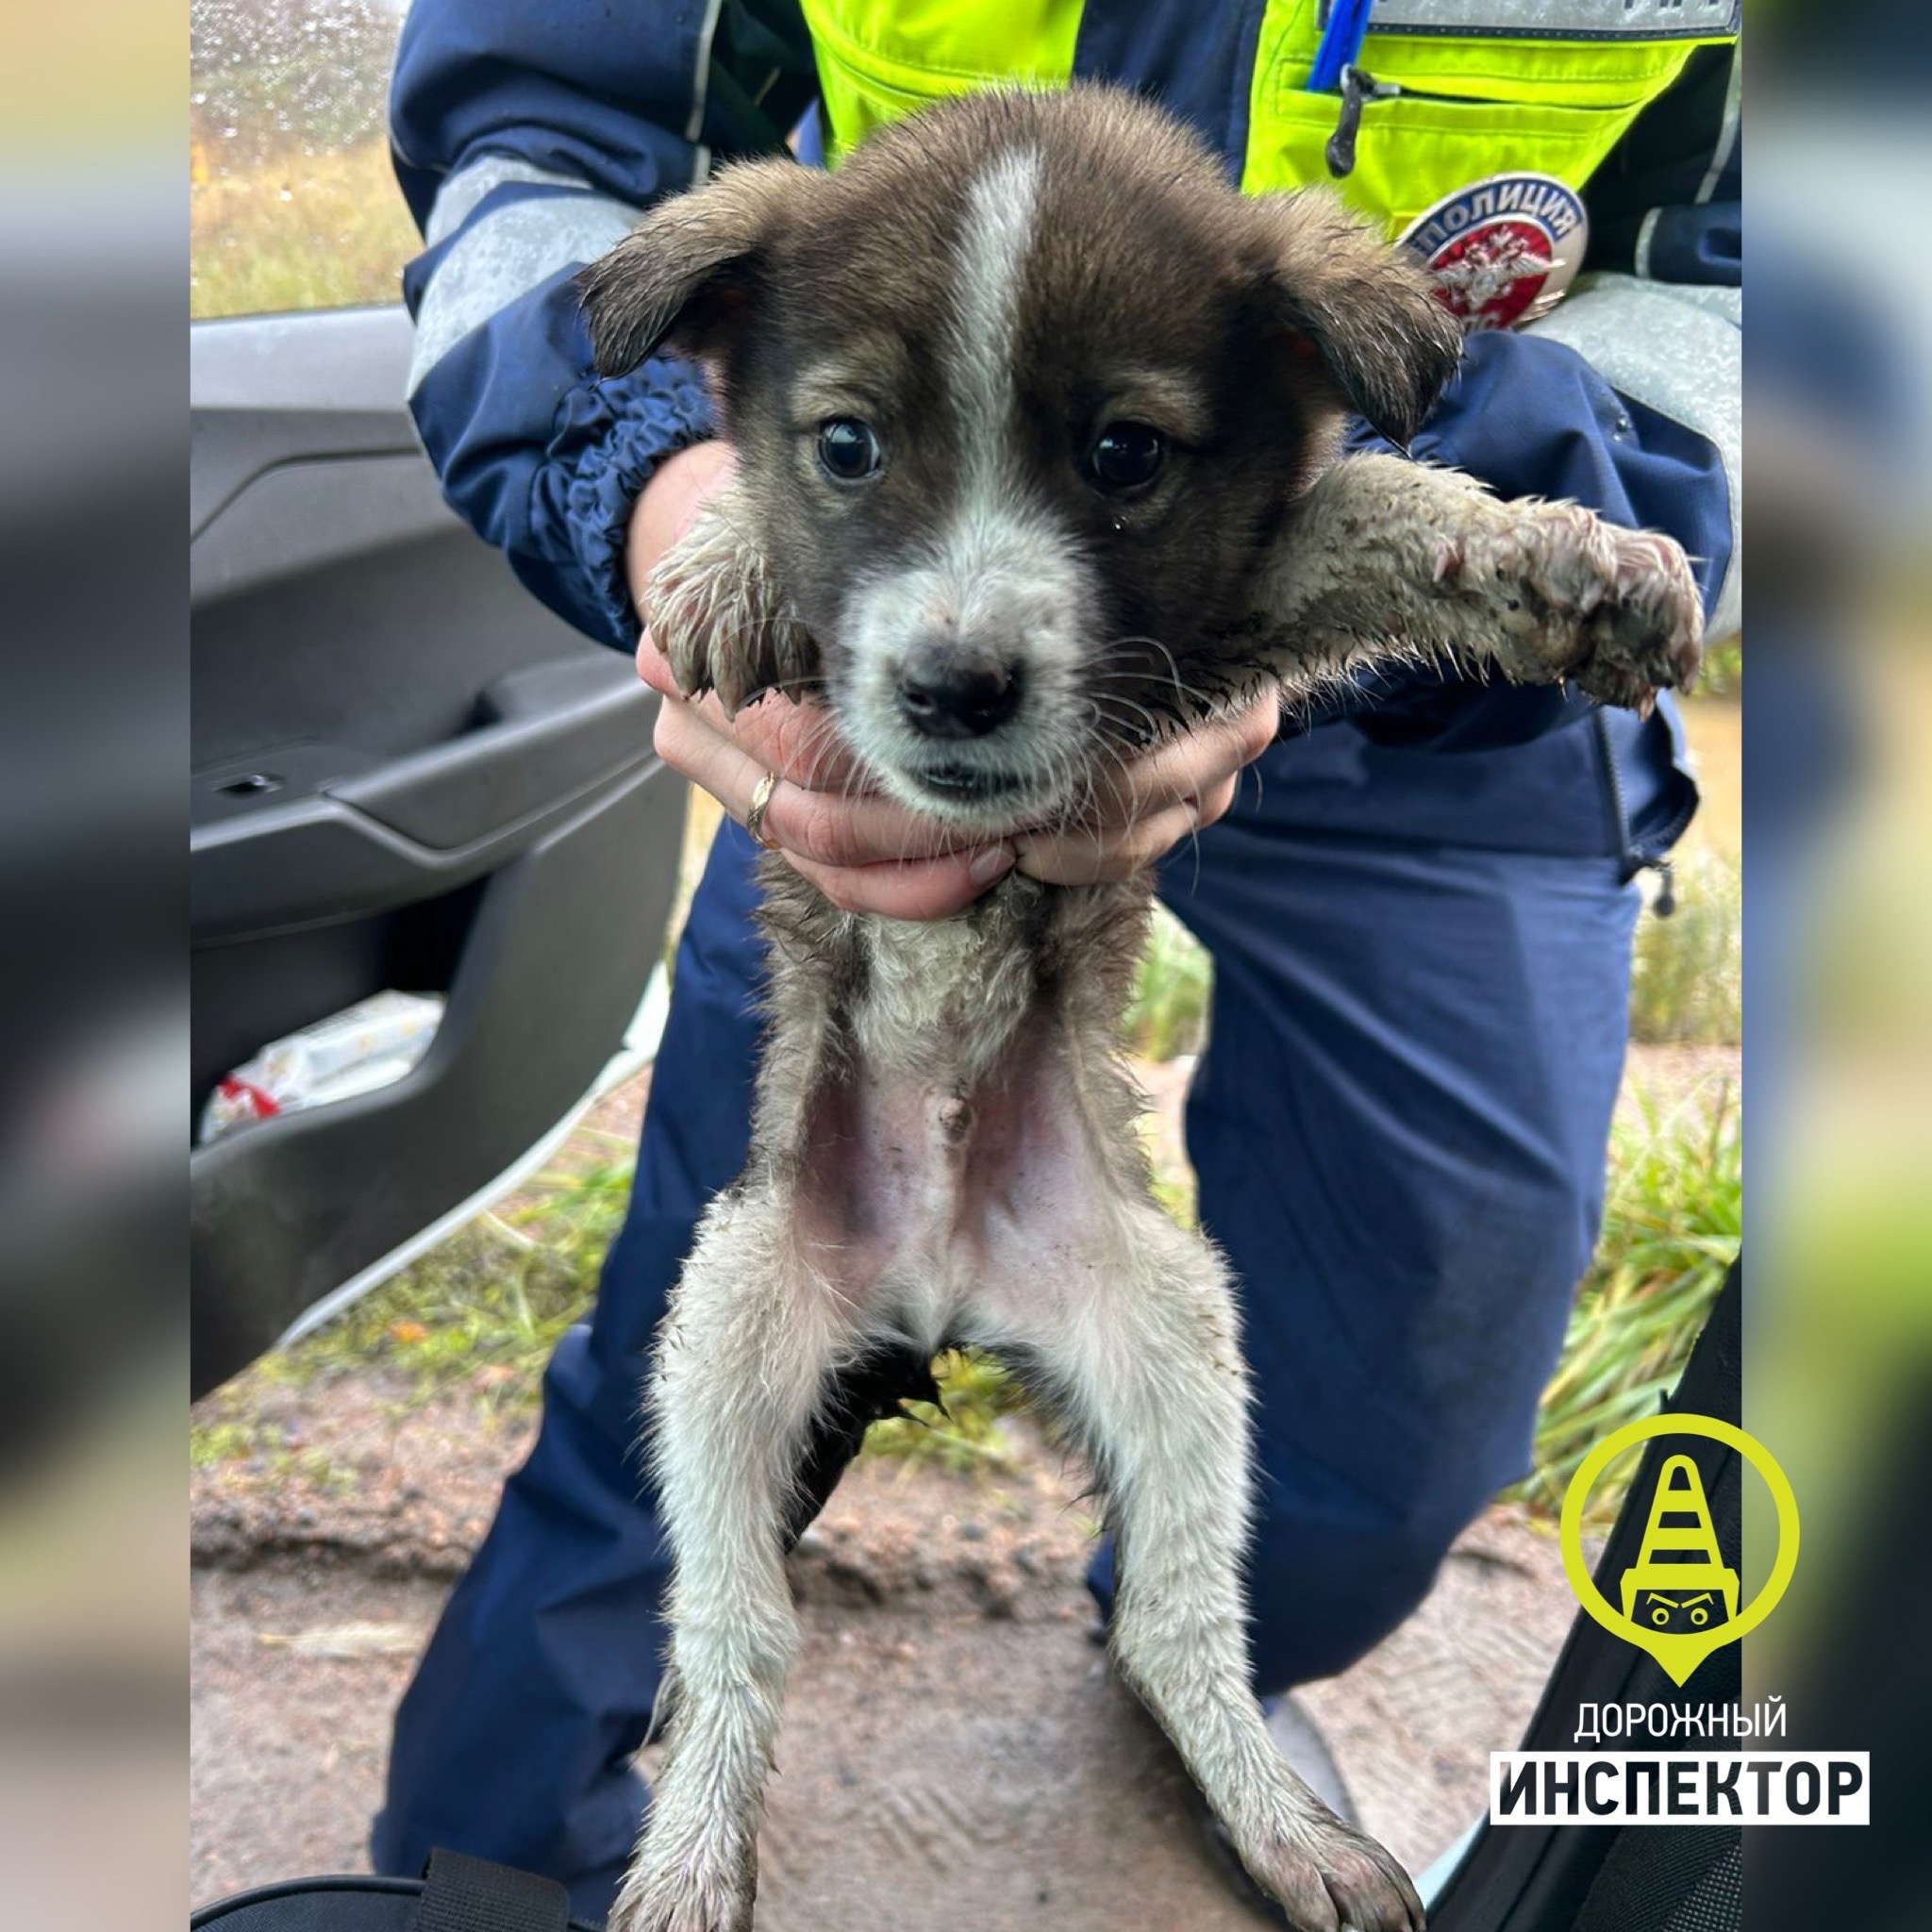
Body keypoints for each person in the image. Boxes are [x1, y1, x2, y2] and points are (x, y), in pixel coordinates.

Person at [373, 3, 1740, 1917]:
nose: (976, 611)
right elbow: (539, 152)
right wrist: (676, 507)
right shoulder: (871, 560)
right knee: (696, 1340)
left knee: (1404, 1393)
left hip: (1405, 656)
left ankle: (1202, 1668)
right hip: (864, 766)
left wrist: (1531, 507)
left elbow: (1749, 273)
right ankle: (496, 1851)